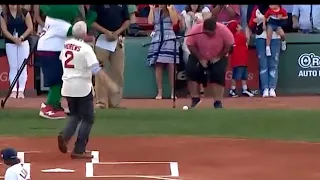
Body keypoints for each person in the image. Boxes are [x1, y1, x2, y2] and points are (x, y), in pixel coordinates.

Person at [58, 21, 118, 159]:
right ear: (85, 33)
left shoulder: (66, 45)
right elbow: (96, 70)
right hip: (82, 87)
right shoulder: (85, 49)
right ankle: (79, 149)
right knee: (88, 118)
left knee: (75, 115)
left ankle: (65, 135)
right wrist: (110, 84)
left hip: (67, 85)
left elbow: (63, 59)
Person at [36, 5, 97, 119]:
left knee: (60, 80)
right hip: (51, 51)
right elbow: (76, 31)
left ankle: (55, 104)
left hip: (51, 50)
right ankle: (49, 107)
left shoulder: (52, 18)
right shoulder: (59, 23)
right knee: (57, 81)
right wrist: (90, 19)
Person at [185, 17, 234, 108]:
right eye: (208, 32)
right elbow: (190, 45)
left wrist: (218, 57)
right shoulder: (196, 30)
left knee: (218, 72)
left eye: (212, 32)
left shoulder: (223, 30)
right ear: (204, 29)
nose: (211, 34)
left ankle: (218, 101)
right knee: (190, 69)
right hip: (199, 54)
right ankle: (195, 98)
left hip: (218, 55)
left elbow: (229, 45)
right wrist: (200, 58)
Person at [91, 5, 130, 109]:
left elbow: (127, 20)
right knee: (100, 70)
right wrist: (105, 31)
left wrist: (117, 32)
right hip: (102, 38)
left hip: (118, 40)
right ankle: (101, 102)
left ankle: (115, 103)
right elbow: (91, 20)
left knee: (118, 71)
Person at [147, 4, 179, 100]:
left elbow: (174, 22)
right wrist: (151, 9)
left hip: (169, 37)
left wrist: (170, 10)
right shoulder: (155, 10)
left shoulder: (171, 9)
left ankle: (173, 91)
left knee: (171, 65)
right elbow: (150, 22)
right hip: (158, 37)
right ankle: (159, 91)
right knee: (158, 64)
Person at [0, 5, 33, 99]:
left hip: (23, 42)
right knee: (13, 66)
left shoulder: (24, 12)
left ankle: (21, 90)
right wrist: (13, 39)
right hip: (10, 43)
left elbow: (30, 27)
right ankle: (14, 90)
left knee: (22, 66)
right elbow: (4, 30)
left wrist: (21, 37)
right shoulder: (4, 14)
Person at [249, 5, 281, 97]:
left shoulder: (277, 8)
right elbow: (251, 23)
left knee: (273, 64)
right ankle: (265, 88)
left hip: (275, 37)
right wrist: (258, 21)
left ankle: (272, 88)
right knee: (263, 64)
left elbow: (283, 21)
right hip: (261, 37)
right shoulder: (257, 9)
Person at [180, 4, 211, 97]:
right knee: (189, 66)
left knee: (201, 64)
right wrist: (181, 19)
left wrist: (194, 17)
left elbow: (207, 25)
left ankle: (201, 89)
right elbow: (182, 28)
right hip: (188, 41)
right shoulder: (184, 12)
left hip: (201, 40)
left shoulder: (205, 10)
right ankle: (191, 91)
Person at [227, 20, 254, 97]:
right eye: (238, 25)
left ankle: (244, 89)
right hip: (239, 60)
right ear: (236, 28)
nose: (239, 25)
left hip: (241, 59)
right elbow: (247, 40)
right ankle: (232, 90)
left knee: (243, 76)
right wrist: (247, 30)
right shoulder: (238, 35)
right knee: (236, 76)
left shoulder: (235, 36)